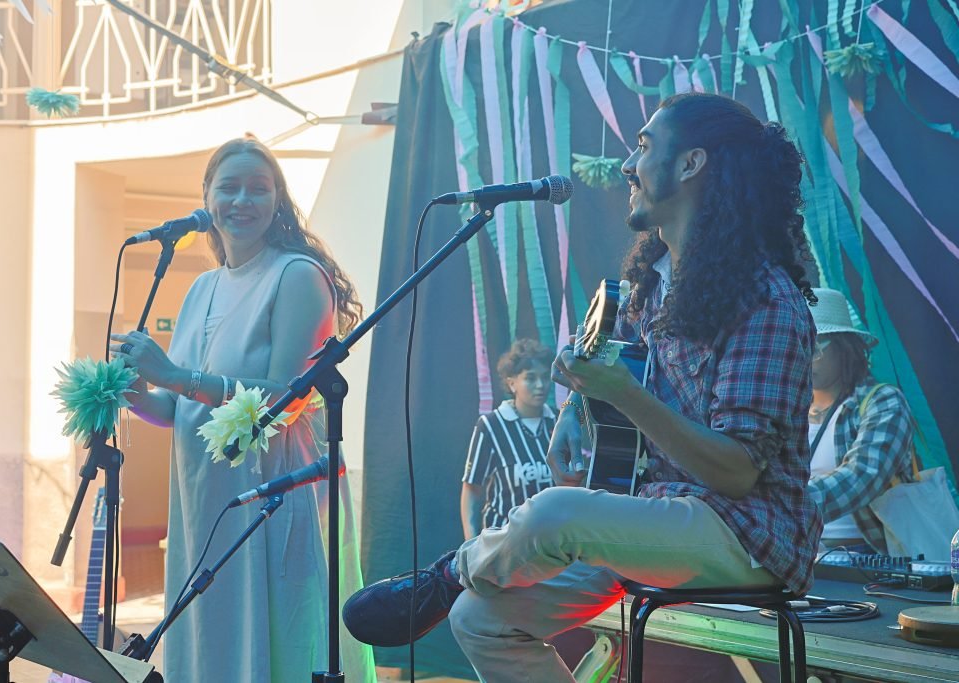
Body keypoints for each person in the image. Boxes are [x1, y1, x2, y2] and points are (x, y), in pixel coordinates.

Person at [342, 93, 822, 683]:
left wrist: (621, 394)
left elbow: (738, 471)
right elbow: (604, 371)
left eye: (644, 147)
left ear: (692, 165)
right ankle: (457, 585)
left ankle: (447, 573)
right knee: (478, 617)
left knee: (556, 513)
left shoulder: (764, 299)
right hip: (663, 513)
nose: (627, 165)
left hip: (749, 537)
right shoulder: (653, 285)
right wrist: (579, 405)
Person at [110, 135, 375, 682]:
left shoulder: (296, 275)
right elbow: (177, 407)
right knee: (213, 632)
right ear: (206, 200)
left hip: (273, 489)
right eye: (228, 188)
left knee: (281, 635)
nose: (242, 201)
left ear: (278, 200)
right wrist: (125, 391)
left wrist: (176, 377)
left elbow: (284, 395)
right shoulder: (202, 287)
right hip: (204, 499)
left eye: (259, 189)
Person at [806, 287, 916, 554]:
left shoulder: (883, 402)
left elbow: (862, 477)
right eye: (795, 345)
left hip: (868, 557)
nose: (804, 358)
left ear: (846, 347)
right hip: (797, 556)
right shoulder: (785, 408)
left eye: (816, 346)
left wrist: (780, 507)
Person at [461, 339, 555, 540]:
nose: (540, 385)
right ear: (512, 383)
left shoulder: (557, 423)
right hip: (501, 543)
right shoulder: (491, 425)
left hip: (549, 546)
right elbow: (472, 489)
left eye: (545, 377)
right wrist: (471, 544)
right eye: (530, 378)